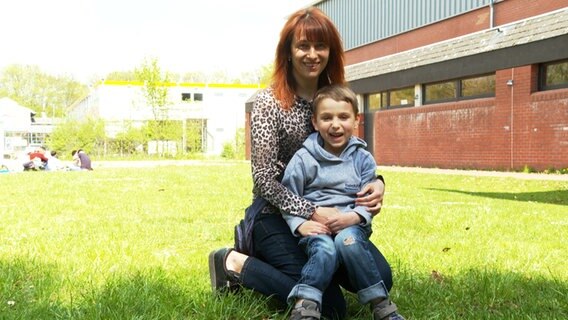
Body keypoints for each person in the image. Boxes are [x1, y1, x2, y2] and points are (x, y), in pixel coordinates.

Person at [209, 7, 392, 320]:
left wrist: (378, 183)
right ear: (288, 52)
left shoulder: (335, 98)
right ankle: (233, 263)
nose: (312, 54)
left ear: (330, 52)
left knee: (382, 279)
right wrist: (310, 211)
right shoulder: (270, 102)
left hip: (332, 218)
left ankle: (320, 266)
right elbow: (263, 181)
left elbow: (353, 155)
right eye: (303, 46)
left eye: (320, 46)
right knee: (331, 308)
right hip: (275, 217)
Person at [281, 85, 404, 320]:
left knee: (349, 242)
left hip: (351, 226)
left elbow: (368, 199)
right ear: (315, 122)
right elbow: (289, 197)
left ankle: (382, 306)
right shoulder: (303, 159)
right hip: (316, 227)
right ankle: (306, 305)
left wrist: (355, 217)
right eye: (326, 118)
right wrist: (300, 224)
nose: (335, 124)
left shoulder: (362, 158)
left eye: (343, 117)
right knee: (325, 250)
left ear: (356, 120)